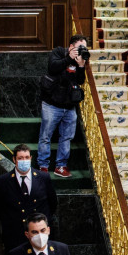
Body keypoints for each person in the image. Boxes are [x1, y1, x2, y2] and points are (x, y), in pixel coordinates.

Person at [36, 34, 87, 177]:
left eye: (84, 48)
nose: (82, 50)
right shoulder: (58, 52)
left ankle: (61, 166)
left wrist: (81, 66)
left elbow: (80, 81)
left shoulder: (81, 59)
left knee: (66, 137)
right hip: (51, 104)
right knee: (46, 136)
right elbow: (53, 68)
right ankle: (43, 166)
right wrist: (69, 58)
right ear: (71, 47)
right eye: (79, 47)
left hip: (69, 106)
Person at [0, 145, 57, 253]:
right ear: (14, 159)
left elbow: (53, 203)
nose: (24, 160)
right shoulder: (3, 181)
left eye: (26, 157)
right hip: (15, 236)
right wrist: (11, 221)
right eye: (20, 158)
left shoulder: (43, 178)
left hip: (40, 236)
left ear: (31, 158)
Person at [7, 213, 75, 255]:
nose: (40, 235)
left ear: (48, 230)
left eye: (43, 230)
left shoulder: (62, 249)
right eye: (35, 232)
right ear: (27, 234)